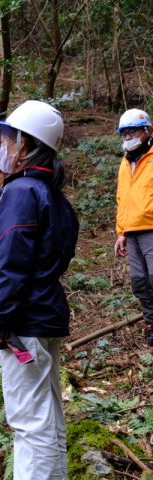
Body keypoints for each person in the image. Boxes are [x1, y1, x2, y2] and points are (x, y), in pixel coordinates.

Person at [0, 100, 79, 480]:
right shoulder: (53, 196)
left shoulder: (20, 193)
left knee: (28, 422)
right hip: (42, 317)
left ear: (27, 143)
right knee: (46, 419)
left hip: (22, 324)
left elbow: (10, 263)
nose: (4, 146)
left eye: (8, 138)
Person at [113, 108, 153, 347]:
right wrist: (121, 232)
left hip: (151, 227)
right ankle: (150, 324)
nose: (127, 137)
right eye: (124, 133)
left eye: (132, 132)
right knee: (139, 282)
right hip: (131, 230)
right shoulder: (125, 163)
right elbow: (122, 198)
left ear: (146, 131)